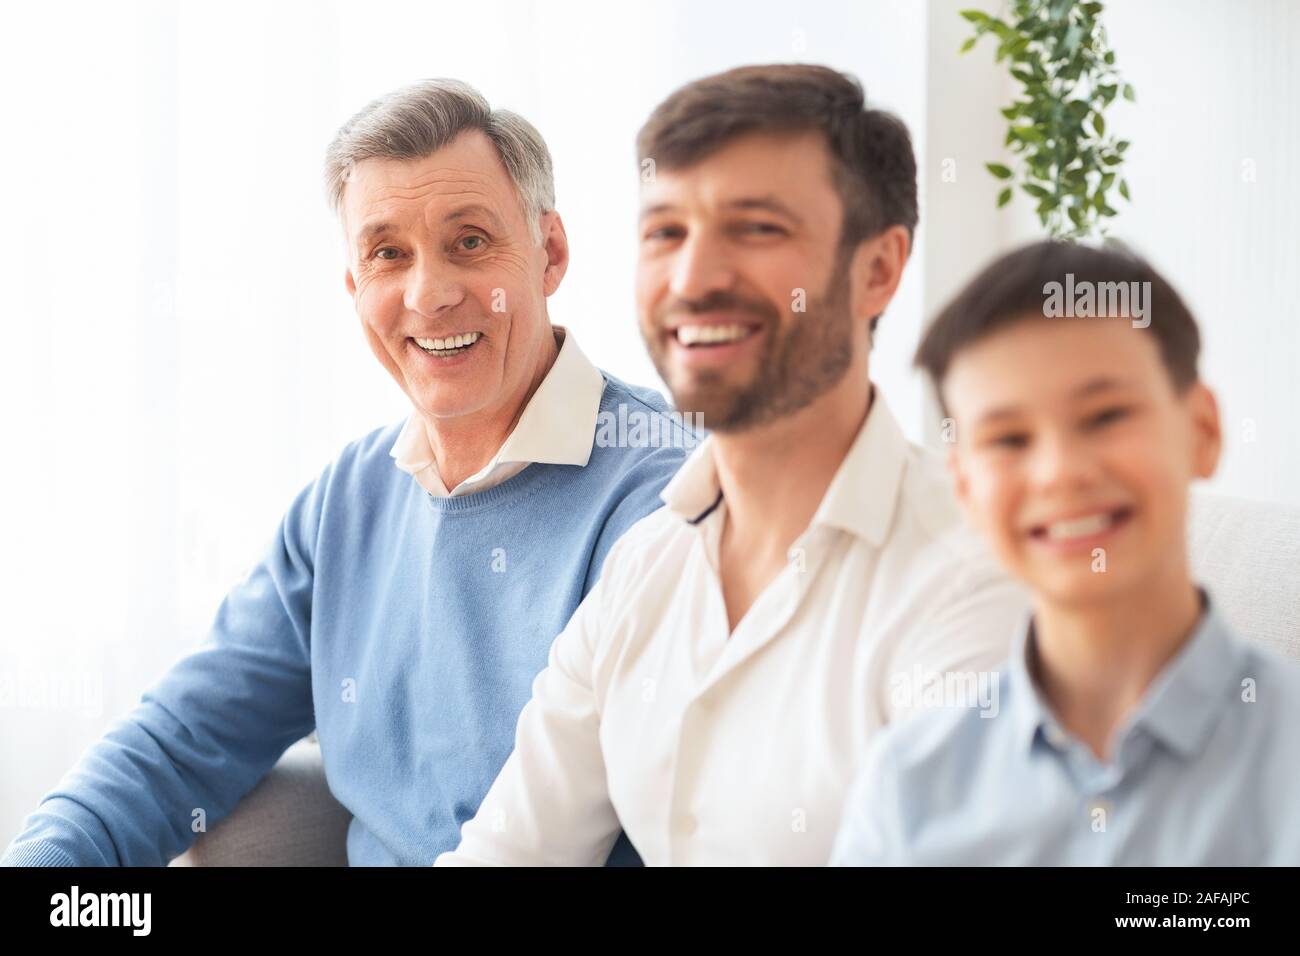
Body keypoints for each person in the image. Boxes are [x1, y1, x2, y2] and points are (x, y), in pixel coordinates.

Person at [1, 79, 691, 867]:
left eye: (469, 242)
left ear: (551, 253)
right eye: (387, 254)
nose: (429, 295)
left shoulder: (665, 499)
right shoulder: (347, 502)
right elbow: (180, 743)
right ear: (355, 286)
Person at [436, 64, 1027, 867]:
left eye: (756, 229)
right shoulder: (647, 567)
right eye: (666, 233)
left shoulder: (974, 580)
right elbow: (507, 854)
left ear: (878, 270)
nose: (693, 280)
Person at [831, 240, 1300, 865]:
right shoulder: (907, 789)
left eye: (1105, 417)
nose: (1059, 472)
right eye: (1009, 439)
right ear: (966, 488)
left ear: (1203, 432)